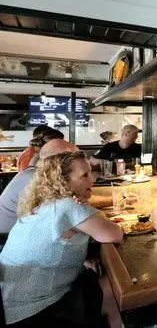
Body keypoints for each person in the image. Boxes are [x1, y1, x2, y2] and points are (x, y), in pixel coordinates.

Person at [0, 151, 123, 327]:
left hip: (10, 303)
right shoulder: (67, 206)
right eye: (84, 175)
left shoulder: (42, 203)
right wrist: (92, 211)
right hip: (31, 313)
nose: (92, 180)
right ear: (62, 180)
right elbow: (115, 234)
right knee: (114, 285)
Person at [0, 139, 112, 234]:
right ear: (56, 162)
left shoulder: (45, 176)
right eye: (72, 158)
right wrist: (117, 199)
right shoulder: (36, 180)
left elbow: (77, 203)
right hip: (7, 240)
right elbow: (72, 207)